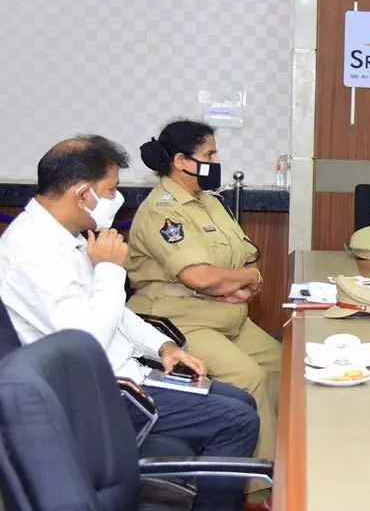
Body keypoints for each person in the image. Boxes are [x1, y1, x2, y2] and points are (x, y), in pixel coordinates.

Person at [0, 135, 259, 511]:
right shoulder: (31, 253)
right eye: (111, 189)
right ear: (82, 195)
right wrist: (108, 269)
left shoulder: (64, 237)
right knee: (237, 420)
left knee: (240, 400)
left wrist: (162, 347)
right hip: (101, 395)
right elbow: (83, 340)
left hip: (127, 372)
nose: (117, 198)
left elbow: (116, 312)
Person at [124, 120, 280, 503]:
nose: (216, 161)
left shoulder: (209, 202)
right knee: (251, 377)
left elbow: (248, 253)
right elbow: (199, 277)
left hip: (227, 314)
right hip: (181, 321)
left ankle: (282, 458)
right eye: (208, 155)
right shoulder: (163, 210)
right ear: (181, 161)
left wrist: (239, 280)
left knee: (282, 364)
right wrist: (241, 278)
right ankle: (259, 489)